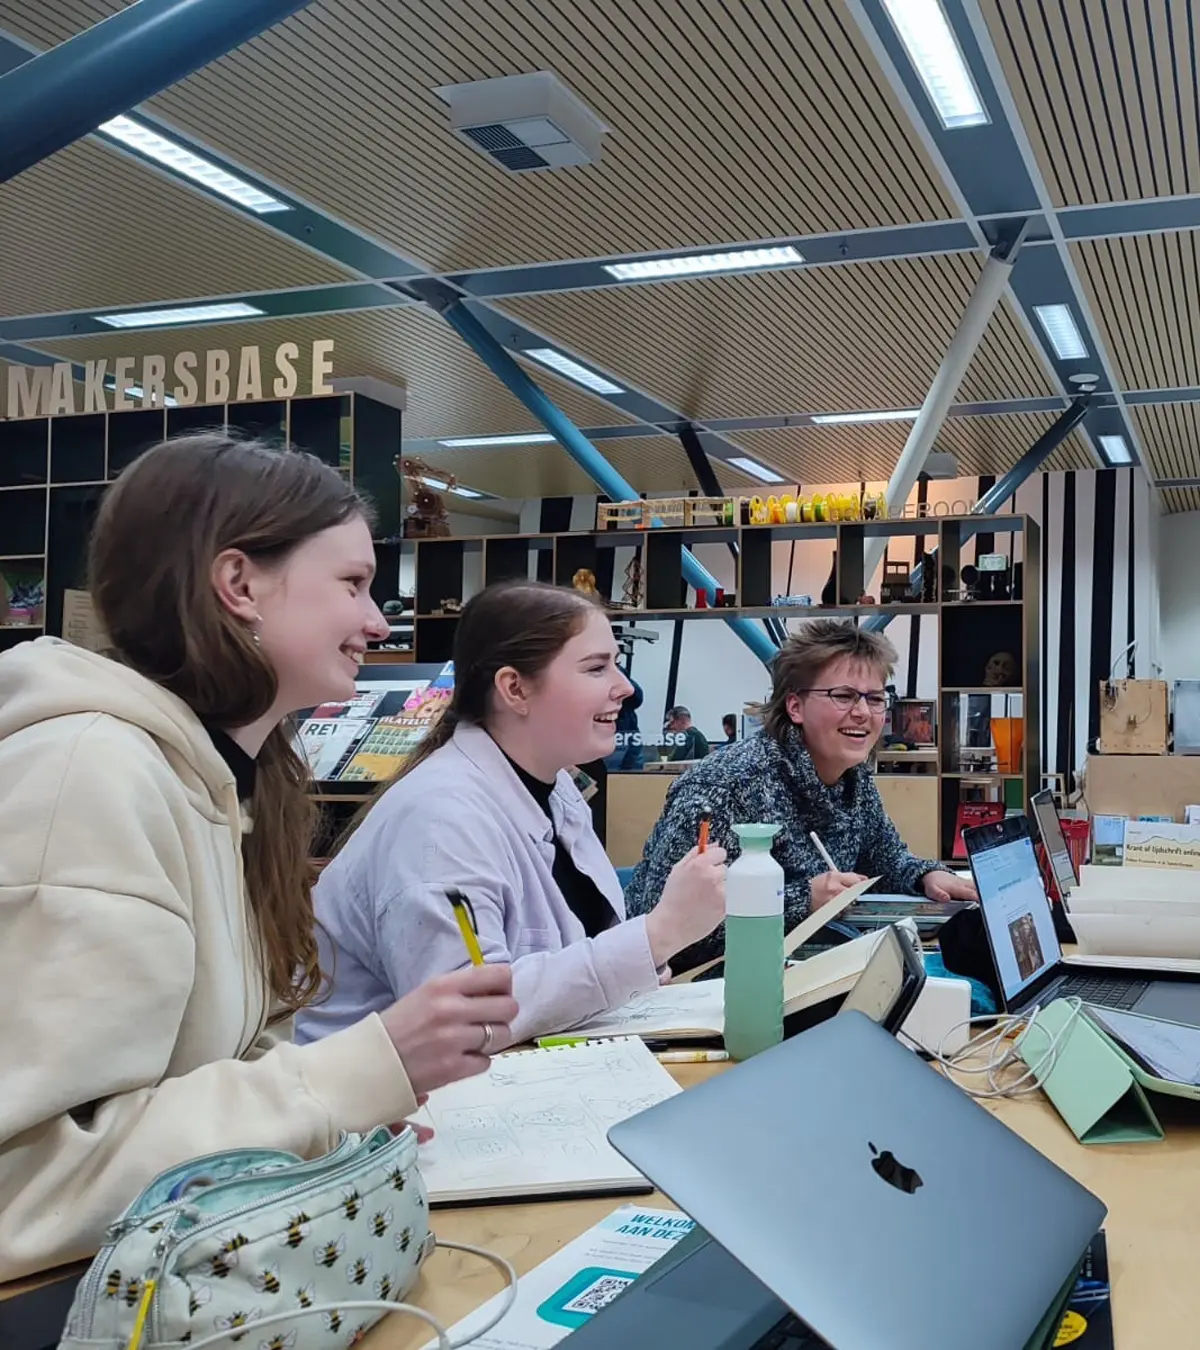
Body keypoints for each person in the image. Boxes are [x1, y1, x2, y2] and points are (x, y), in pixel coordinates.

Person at [0, 434, 517, 1282]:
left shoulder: (236, 780)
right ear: (239, 585)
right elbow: (27, 1190)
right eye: (352, 583)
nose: (376, 623)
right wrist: (349, 1077)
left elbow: (214, 1065)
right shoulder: (86, 776)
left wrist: (326, 1122)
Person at [296, 581, 728, 1048]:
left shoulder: (556, 789)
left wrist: (636, 963)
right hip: (408, 1091)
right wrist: (657, 934)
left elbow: (568, 951)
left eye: (616, 665)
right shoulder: (439, 821)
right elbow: (467, 1018)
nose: (624, 688)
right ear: (515, 688)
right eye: (596, 668)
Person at [625, 619, 976, 970]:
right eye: (843, 696)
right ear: (795, 707)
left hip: (803, 968)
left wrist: (926, 876)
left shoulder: (853, 778)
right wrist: (802, 899)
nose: (863, 712)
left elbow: (887, 860)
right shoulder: (725, 788)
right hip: (710, 988)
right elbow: (664, 937)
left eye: (875, 699)